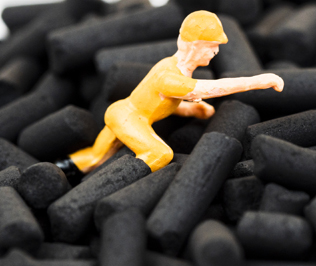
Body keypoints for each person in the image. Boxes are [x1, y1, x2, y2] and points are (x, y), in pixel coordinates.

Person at [61, 10, 283, 175]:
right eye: (211, 46)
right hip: (127, 117)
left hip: (124, 114)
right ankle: (118, 184)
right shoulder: (168, 76)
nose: (216, 51)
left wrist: (190, 110)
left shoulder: (174, 67)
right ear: (194, 45)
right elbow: (209, 88)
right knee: (160, 154)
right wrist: (258, 81)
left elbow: (159, 101)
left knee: (95, 158)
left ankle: (59, 169)